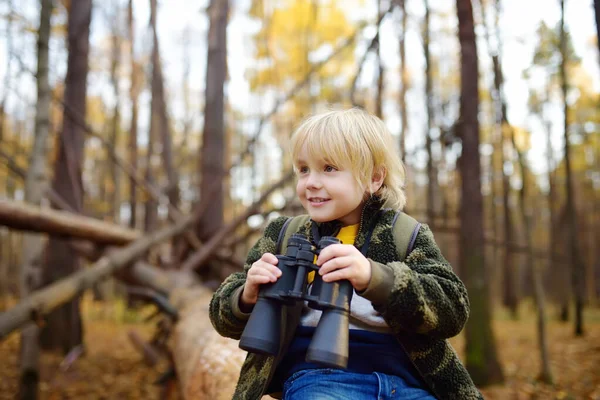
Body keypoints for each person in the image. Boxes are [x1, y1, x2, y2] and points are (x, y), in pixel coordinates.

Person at [209, 108, 482, 400]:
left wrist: (376, 279)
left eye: (328, 168)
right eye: (303, 169)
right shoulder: (285, 234)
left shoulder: (405, 233)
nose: (311, 182)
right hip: (318, 379)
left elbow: (453, 308)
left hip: (407, 384)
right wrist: (246, 295)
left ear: (374, 178)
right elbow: (220, 313)